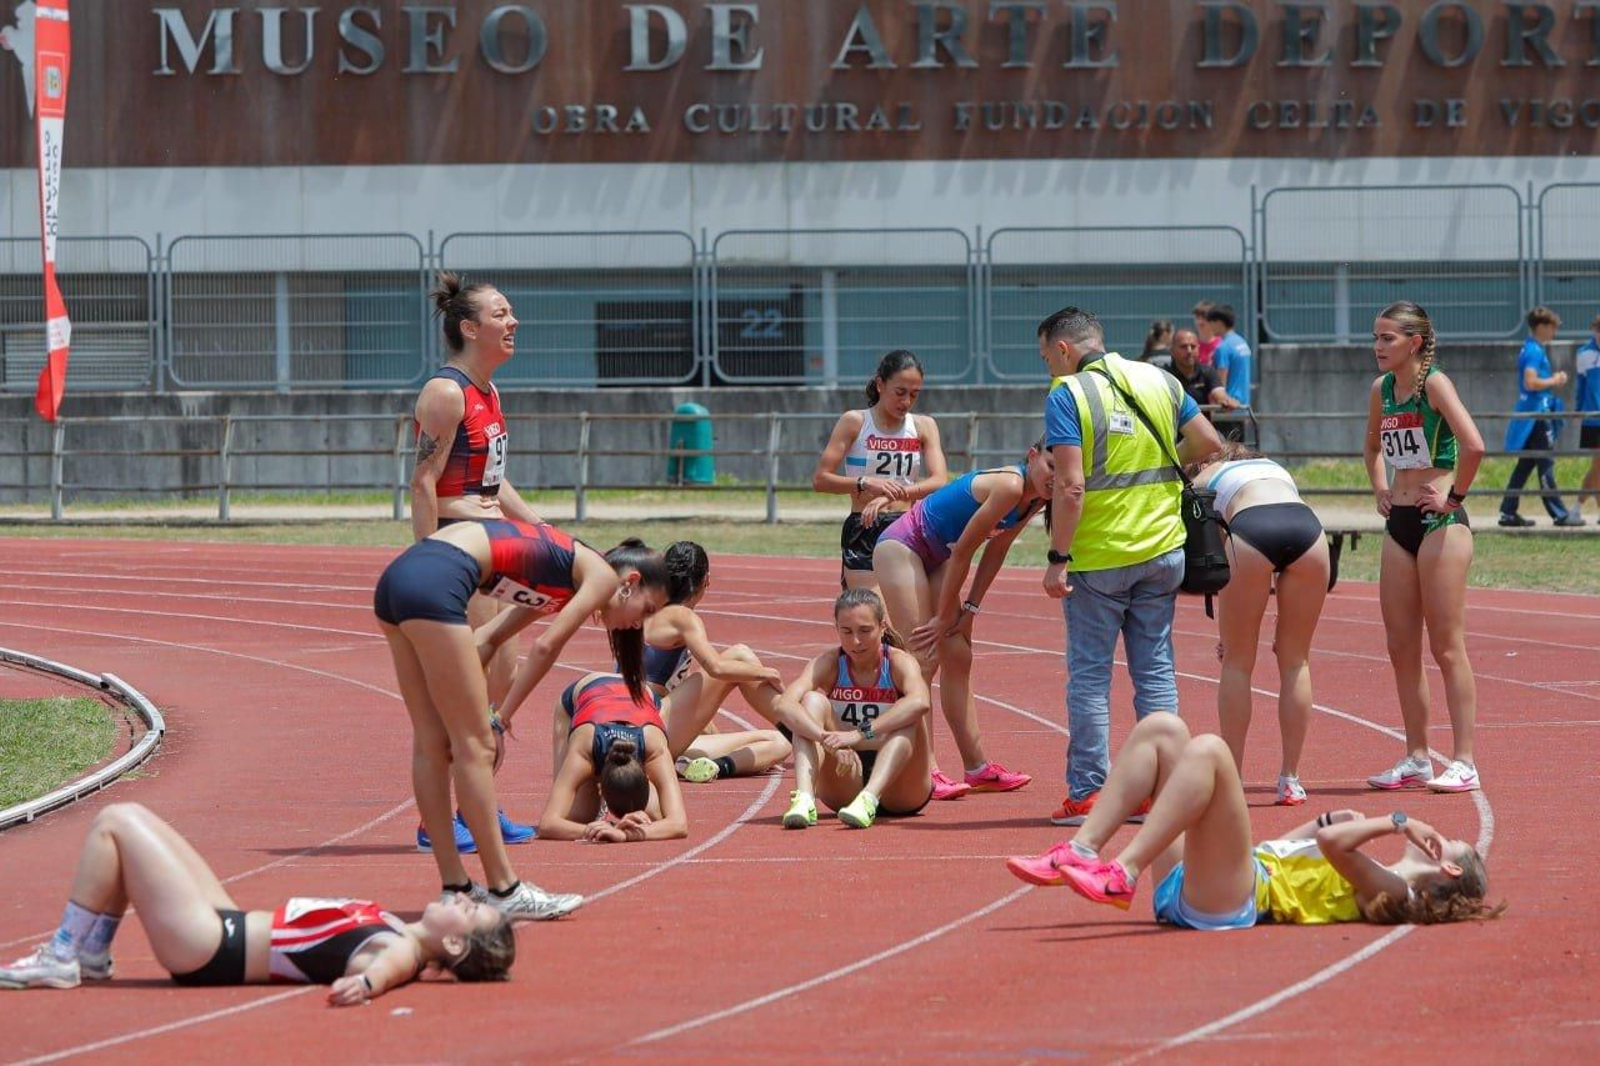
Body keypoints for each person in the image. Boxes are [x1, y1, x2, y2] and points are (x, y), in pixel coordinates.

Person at [374, 522, 669, 917]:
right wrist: (497, 719)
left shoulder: (564, 580)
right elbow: (547, 647)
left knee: (433, 743)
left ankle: (455, 887)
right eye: (646, 610)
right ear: (630, 582)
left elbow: (488, 638)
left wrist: (466, 703)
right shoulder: (599, 576)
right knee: (475, 748)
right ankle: (505, 889)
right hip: (434, 581)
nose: (639, 625)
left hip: (397, 580)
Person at [1005, 715, 1499, 928]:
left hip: (1230, 901)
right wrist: (1328, 819)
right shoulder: (1379, 872)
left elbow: (1332, 843)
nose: (1445, 835)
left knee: (1212, 751)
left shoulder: (1399, 891)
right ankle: (1083, 850)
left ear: (1449, 869)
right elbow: (1287, 850)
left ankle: (1125, 871)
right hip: (1218, 882)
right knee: (1164, 730)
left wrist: (1398, 819)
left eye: (1453, 841)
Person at [0, 803, 515, 994]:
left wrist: (366, 984)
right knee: (142, 824)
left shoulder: (397, 948)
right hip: (226, 924)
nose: (463, 900)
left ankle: (65, 953)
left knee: (117, 821)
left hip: (211, 946)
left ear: (452, 944)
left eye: (469, 912)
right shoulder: (395, 933)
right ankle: (87, 954)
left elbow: (393, 966)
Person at [1039, 306, 1223, 826]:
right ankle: (1166, 788)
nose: (1050, 369)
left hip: (1099, 556)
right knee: (1156, 672)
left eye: (1047, 358)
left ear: (1064, 350)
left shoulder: (1067, 394)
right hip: (1163, 549)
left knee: (1091, 679)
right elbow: (1209, 443)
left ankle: (1090, 794)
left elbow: (1071, 485)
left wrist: (1058, 558)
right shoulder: (1160, 379)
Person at [410, 272, 545, 851]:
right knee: (462, 693)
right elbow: (422, 482)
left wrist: (538, 528)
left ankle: (478, 807)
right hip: (458, 545)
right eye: (501, 314)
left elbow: (495, 479)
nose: (513, 322)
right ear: (469, 328)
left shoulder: (489, 391)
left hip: (495, 544)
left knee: (500, 680)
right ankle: (437, 821)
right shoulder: (446, 392)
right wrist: (428, 563)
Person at [872, 444, 1055, 800]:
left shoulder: (1036, 499)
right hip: (902, 546)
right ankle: (924, 770)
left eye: (1065, 472)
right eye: (1051, 465)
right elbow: (965, 552)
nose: (1056, 478)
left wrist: (969, 611)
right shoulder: (1010, 486)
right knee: (923, 659)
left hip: (938, 555)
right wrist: (943, 616)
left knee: (958, 654)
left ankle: (977, 768)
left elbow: (996, 551)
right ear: (1032, 455)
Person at [1362, 302, 1488, 794]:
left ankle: (1464, 760)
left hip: (1441, 523)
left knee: (1446, 645)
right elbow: (1372, 448)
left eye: (1387, 338)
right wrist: (1379, 488)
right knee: (1400, 646)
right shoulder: (1381, 391)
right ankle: (1417, 756)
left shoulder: (1433, 383)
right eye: (1375, 337)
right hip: (1401, 525)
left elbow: (1473, 445)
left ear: (1414, 342)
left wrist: (1455, 496)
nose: (1377, 346)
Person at [1185, 444, 1329, 805]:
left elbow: (1210, 550)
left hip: (1251, 530)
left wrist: (1226, 635)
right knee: (1297, 661)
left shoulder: (1205, 476)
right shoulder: (1271, 466)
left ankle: (1232, 777)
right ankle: (1290, 779)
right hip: (1308, 531)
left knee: (1237, 663)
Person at [776, 589, 935, 830]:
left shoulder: (898, 662)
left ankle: (869, 799)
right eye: (846, 632)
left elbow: (921, 702)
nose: (856, 642)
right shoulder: (828, 663)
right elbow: (784, 705)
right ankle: (804, 799)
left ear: (882, 627)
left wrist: (859, 734)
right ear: (836, 628)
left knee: (908, 712)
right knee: (810, 702)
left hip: (902, 784)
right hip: (845, 773)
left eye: (865, 631)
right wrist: (826, 739)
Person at [643, 541, 792, 783]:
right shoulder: (682, 616)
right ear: (706, 581)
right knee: (740, 655)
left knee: (779, 742)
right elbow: (717, 667)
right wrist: (764, 672)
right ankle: (802, 733)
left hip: (644, 736)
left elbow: (687, 702)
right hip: (652, 727)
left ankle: (715, 766)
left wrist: (716, 738)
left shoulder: (645, 609)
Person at [813, 350, 949, 591]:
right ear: (880, 385)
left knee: (911, 620)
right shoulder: (855, 422)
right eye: (900, 392)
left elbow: (940, 480)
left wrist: (893, 495)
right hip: (865, 527)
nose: (906, 402)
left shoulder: (924, 425)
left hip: (905, 525)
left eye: (914, 395)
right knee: (872, 615)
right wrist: (865, 483)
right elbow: (821, 480)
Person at [539, 673, 688, 843]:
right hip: (583, 693)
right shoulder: (585, 747)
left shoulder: (654, 747)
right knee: (578, 815)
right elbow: (548, 824)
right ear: (601, 785)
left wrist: (624, 834)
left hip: (643, 696)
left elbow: (679, 824)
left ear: (647, 776)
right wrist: (604, 829)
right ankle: (593, 799)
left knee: (654, 815)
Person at [1500, 306, 1582, 527]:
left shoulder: (1530, 348)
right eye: (1553, 327)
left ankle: (1508, 511)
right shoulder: (1535, 351)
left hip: (1533, 413)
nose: (1554, 332)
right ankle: (1559, 514)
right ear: (1542, 326)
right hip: (1537, 415)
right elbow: (1531, 381)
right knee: (1545, 462)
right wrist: (1555, 380)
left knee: (1525, 464)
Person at [1169, 328, 1241, 426]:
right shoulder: (1165, 375)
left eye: (1193, 346)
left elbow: (1219, 392)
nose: (1189, 351)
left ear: (1198, 349)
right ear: (1172, 350)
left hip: (1201, 433)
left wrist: (1226, 400)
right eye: (1183, 347)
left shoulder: (1207, 371)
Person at [1204, 304, 1253, 410]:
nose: (1210, 327)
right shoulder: (1242, 342)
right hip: (1243, 405)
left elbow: (1220, 382)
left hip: (1228, 407)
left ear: (1219, 323)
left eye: (1211, 323)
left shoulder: (1223, 348)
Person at [1578, 313, 1600, 516]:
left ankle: (1577, 507)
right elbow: (1582, 387)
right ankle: (1577, 506)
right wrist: (1578, 410)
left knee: (1598, 467)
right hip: (1594, 420)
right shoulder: (1585, 354)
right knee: (1598, 466)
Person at [1191, 300, 1221, 367]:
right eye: (1197, 317)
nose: (1200, 321)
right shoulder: (1191, 344)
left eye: (1204, 317)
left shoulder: (1221, 344)